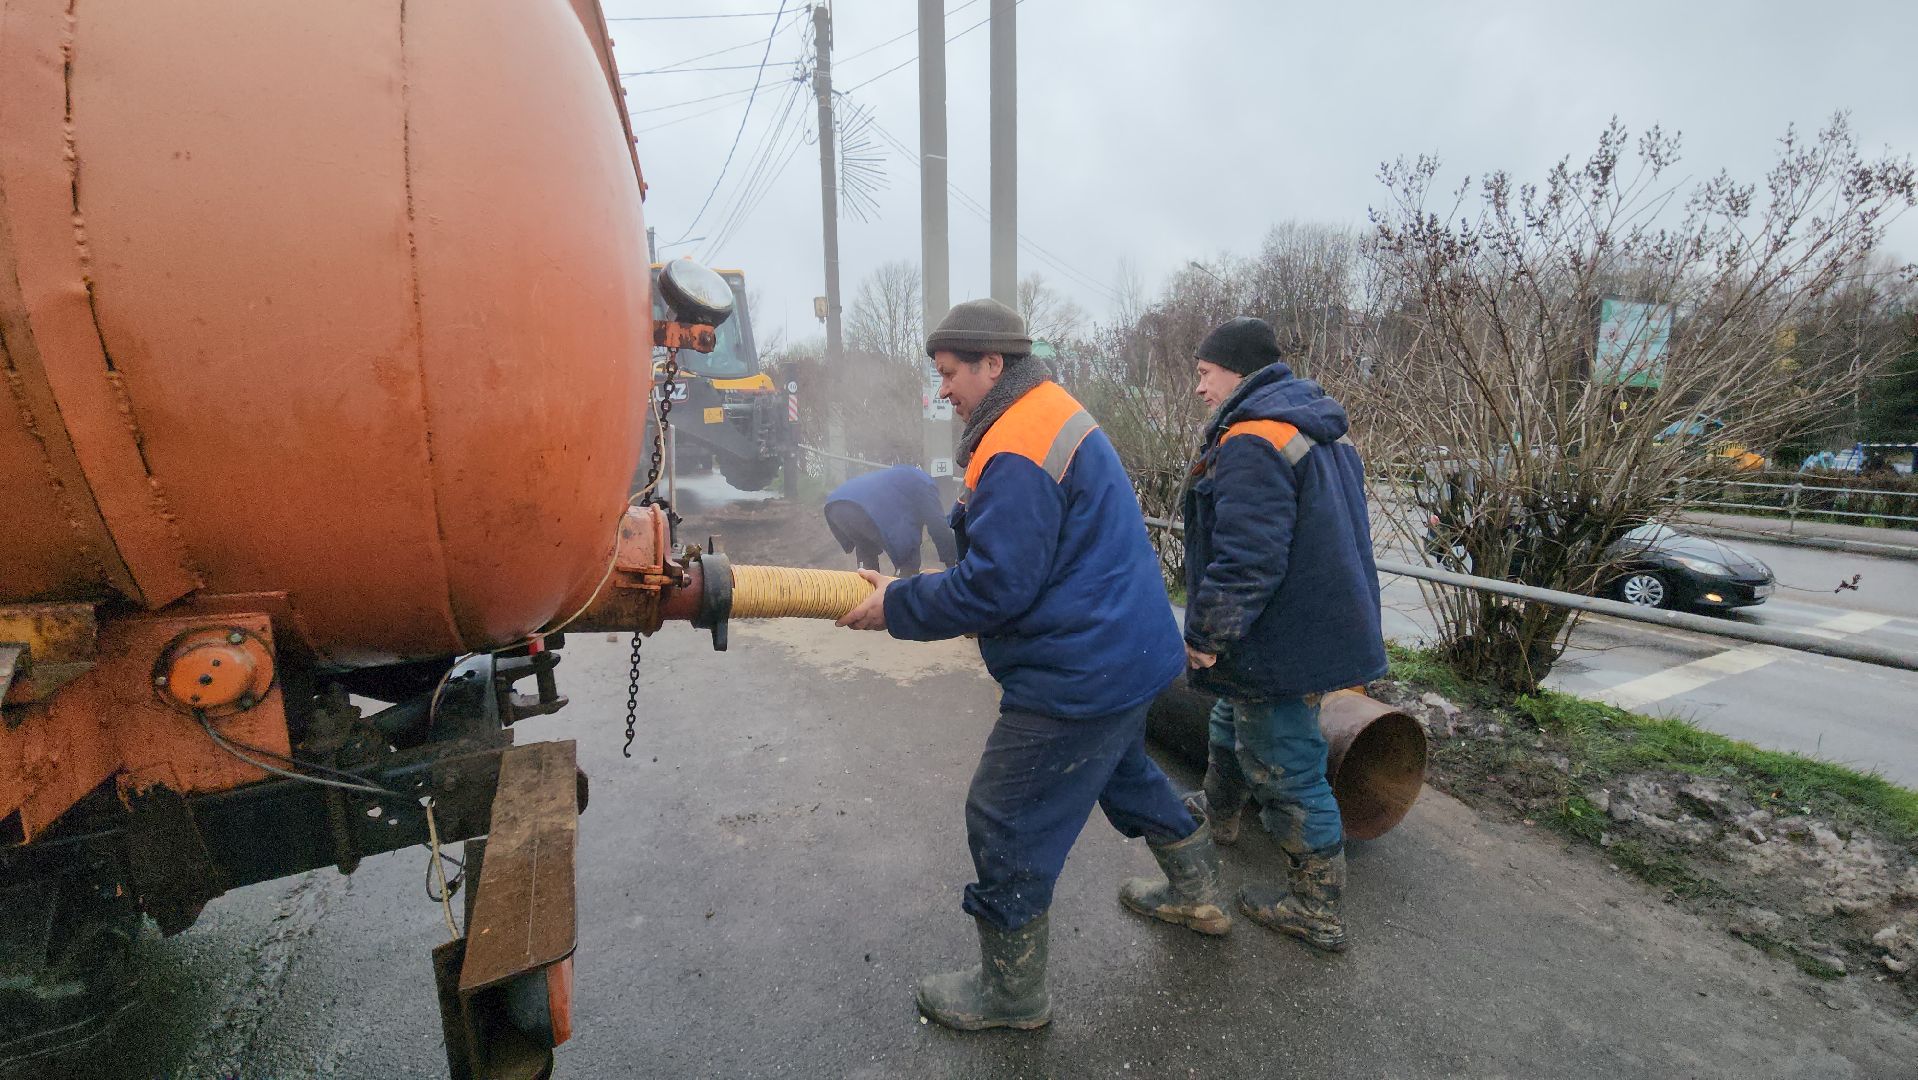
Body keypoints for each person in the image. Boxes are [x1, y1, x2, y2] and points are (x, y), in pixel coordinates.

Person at [836, 298, 1228, 1032]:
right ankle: (1198, 889)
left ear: (995, 364)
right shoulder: (1049, 410)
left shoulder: (1015, 444)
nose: (942, 390)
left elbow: (997, 586)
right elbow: (1018, 555)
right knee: (1122, 768)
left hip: (1080, 667)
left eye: (951, 374)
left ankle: (1011, 994)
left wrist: (898, 605)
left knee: (1005, 812)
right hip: (1132, 648)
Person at [1180, 316, 1387, 954]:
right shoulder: (1316, 427)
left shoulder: (1251, 438)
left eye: (1204, 373)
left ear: (1236, 372)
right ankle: (1218, 815)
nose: (1198, 388)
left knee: (1287, 765)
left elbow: (1249, 556)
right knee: (1228, 717)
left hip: (1282, 633)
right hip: (1318, 621)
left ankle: (1315, 905)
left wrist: (1209, 631)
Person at [822, 464, 958, 576]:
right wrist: (953, 562)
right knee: (908, 559)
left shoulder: (905, 478)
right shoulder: (926, 483)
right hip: (866, 508)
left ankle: (865, 598)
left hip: (836, 505)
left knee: (866, 550)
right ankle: (897, 602)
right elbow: (937, 524)